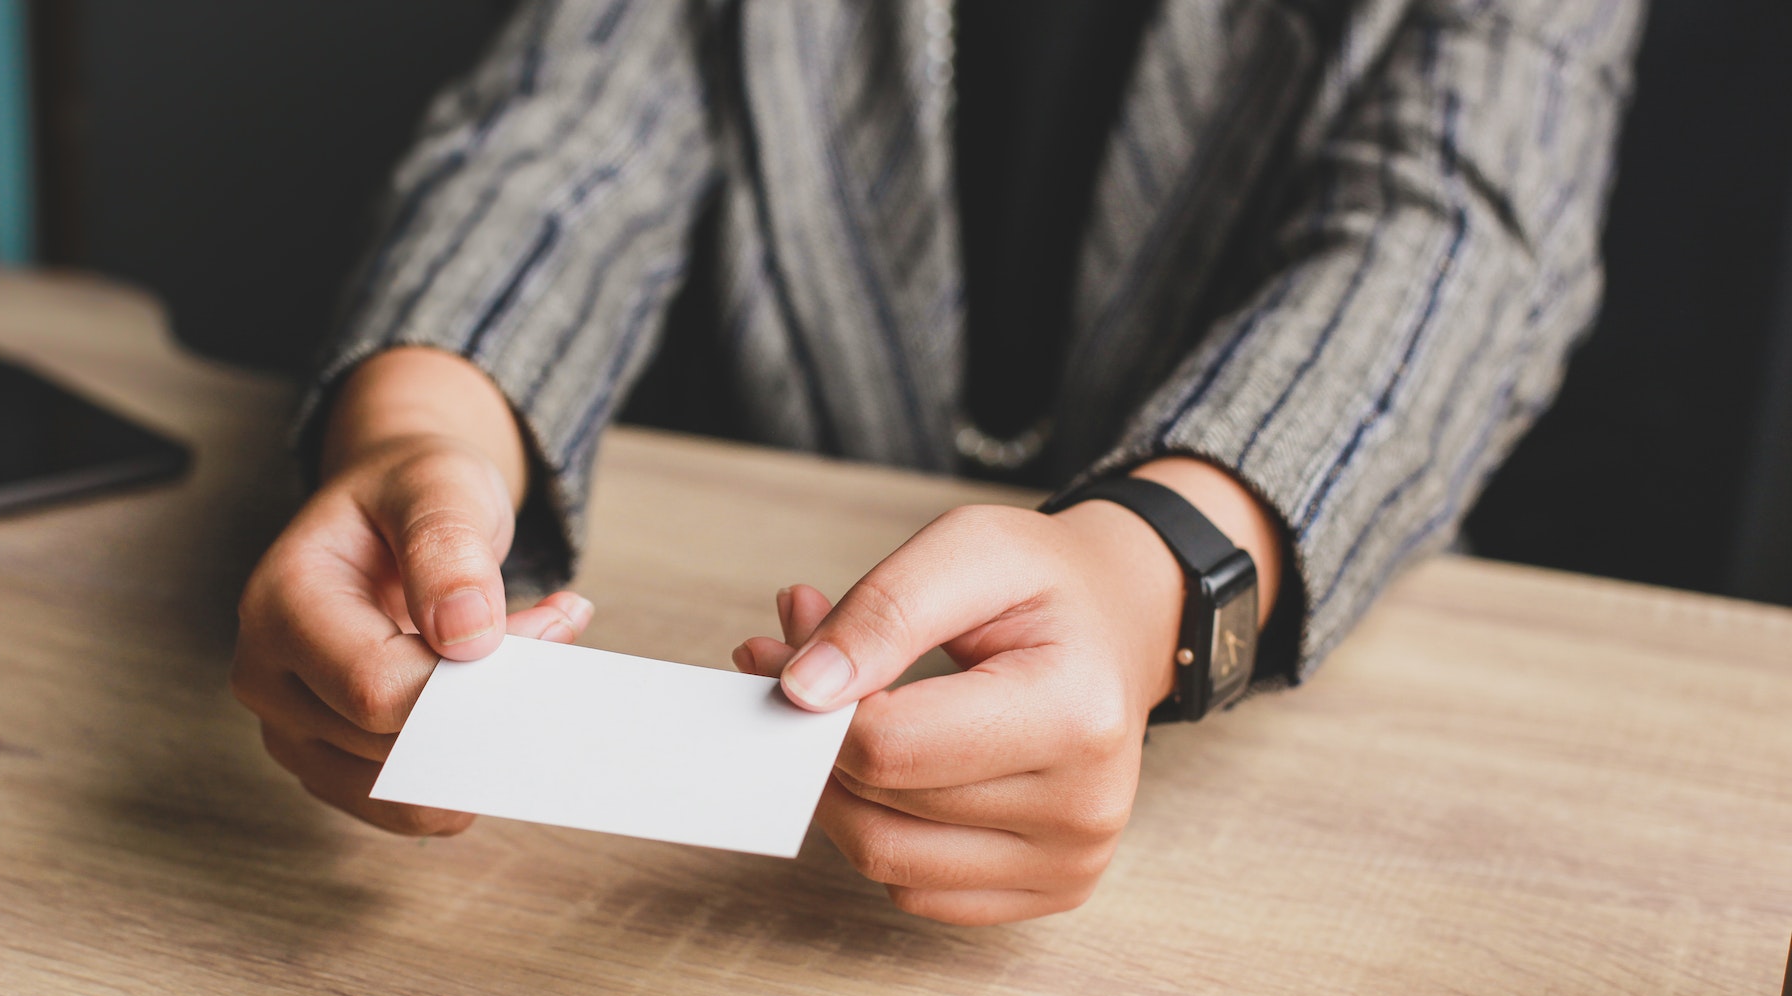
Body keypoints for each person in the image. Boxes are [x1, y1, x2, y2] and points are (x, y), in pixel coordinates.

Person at [230, 0, 1644, 924]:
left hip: (1307, 813)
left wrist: (1160, 572)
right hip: (737, 848)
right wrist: (422, 429)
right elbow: (571, 120)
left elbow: (1461, 233)